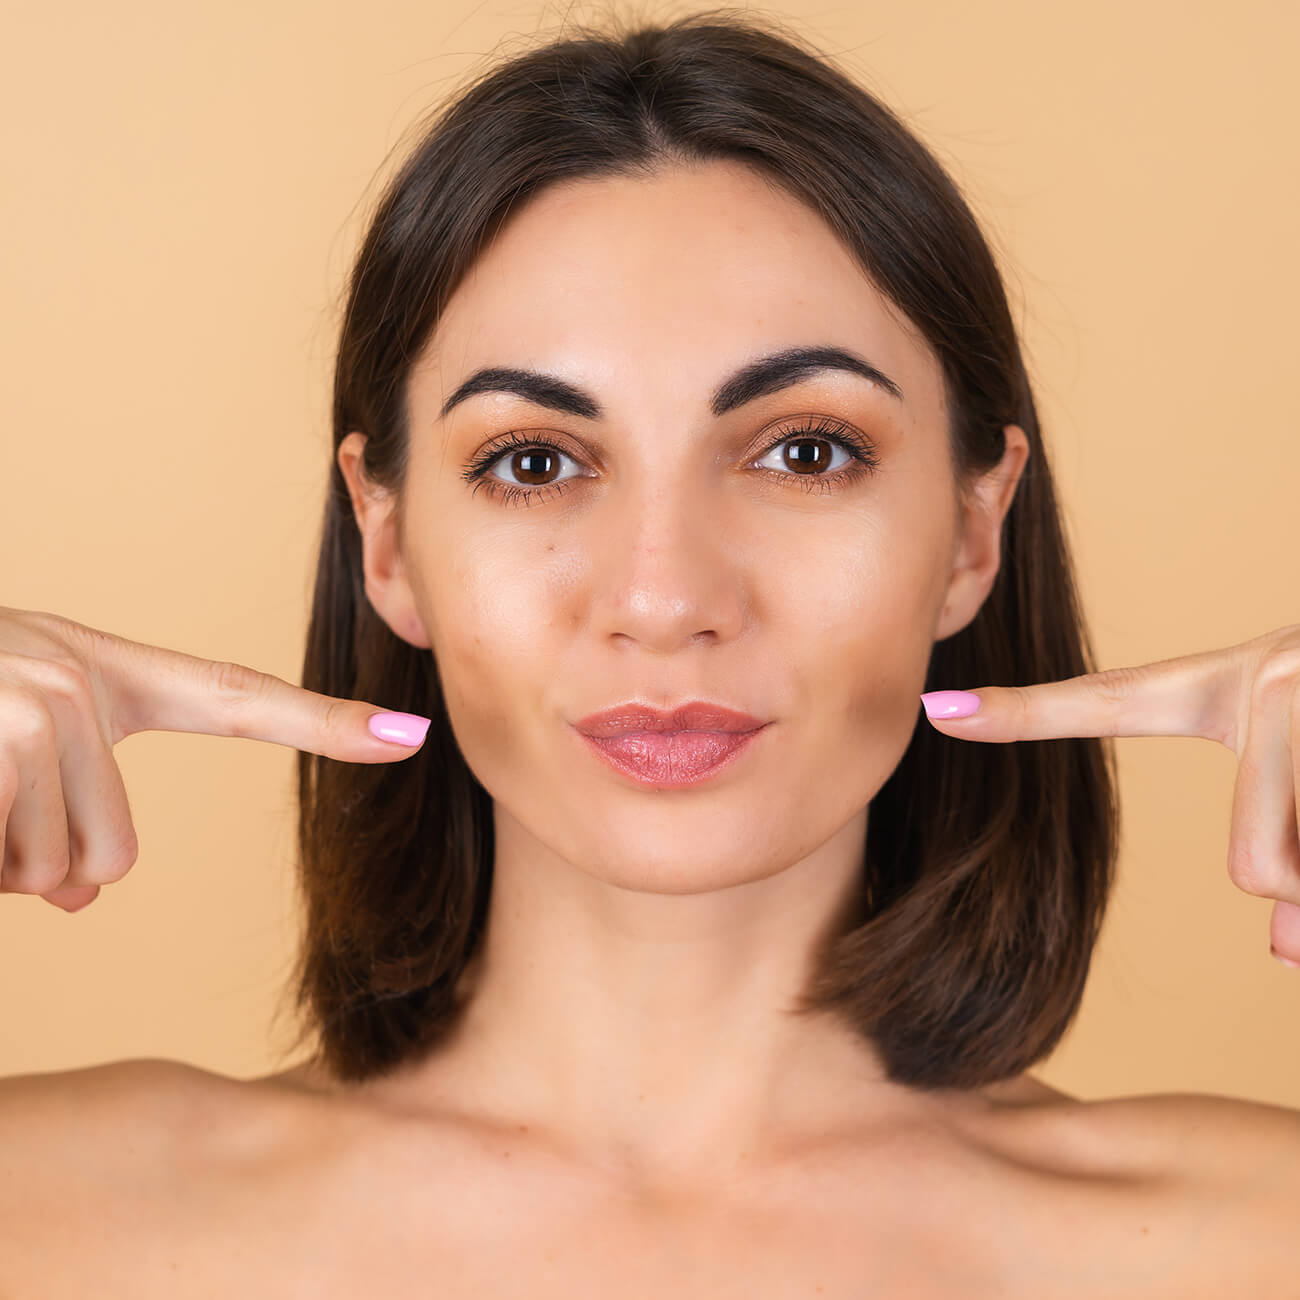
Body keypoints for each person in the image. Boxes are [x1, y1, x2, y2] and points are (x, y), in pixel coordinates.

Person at [2, 8, 1297, 1293]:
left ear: (972, 530)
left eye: (805, 451)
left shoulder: (1252, 1241)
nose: (665, 596)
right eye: (534, 462)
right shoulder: (46, 1212)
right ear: (385, 541)